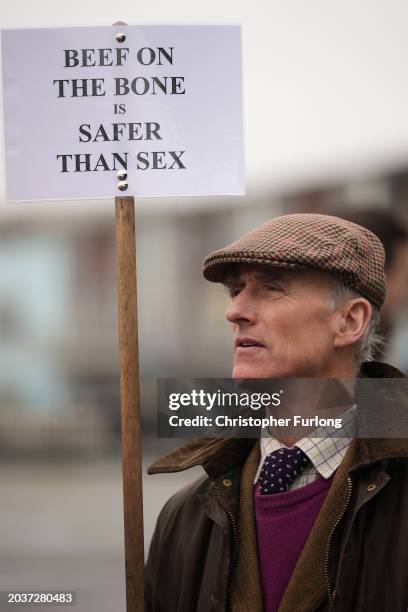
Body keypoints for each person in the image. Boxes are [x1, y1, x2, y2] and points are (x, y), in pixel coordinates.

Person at [145, 213, 408, 612]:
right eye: (236, 290)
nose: (235, 312)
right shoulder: (184, 519)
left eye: (271, 288)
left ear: (350, 320)